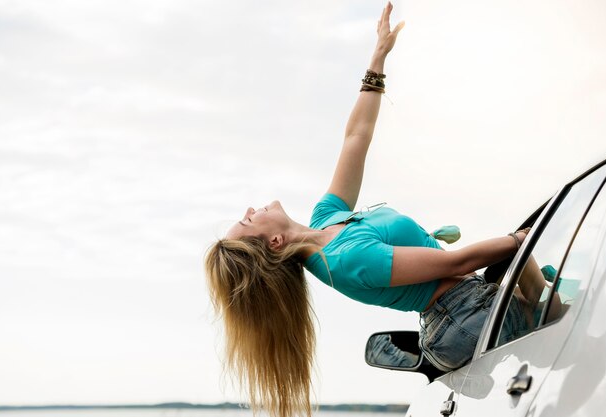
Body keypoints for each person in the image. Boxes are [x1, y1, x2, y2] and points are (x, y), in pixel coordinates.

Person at [204, 3, 538, 417]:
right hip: (464, 318)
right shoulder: (346, 260)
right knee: (569, 318)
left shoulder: (328, 220)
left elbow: (355, 137)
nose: (252, 208)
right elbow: (458, 261)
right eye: (248, 218)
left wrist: (378, 57)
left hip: (467, 306)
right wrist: (522, 239)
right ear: (274, 241)